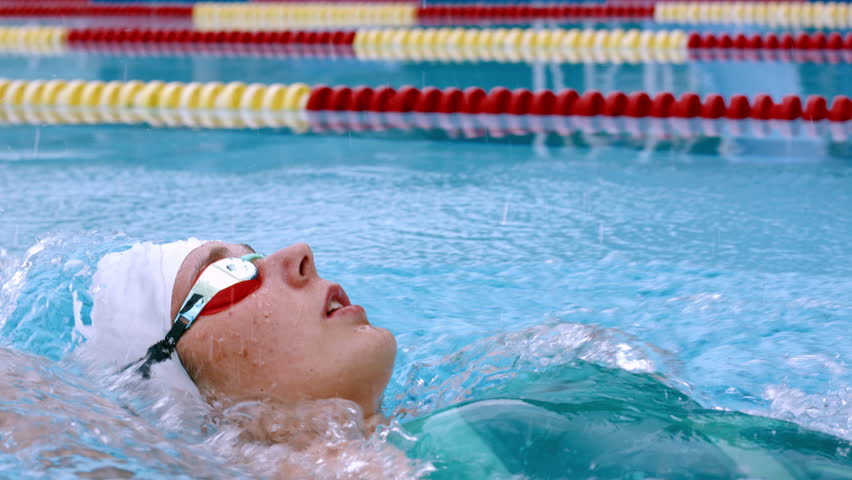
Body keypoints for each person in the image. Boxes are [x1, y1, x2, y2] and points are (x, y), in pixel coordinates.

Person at [86, 239, 852, 480]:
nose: (295, 254)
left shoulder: (471, 420)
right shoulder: (455, 447)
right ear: (184, 375)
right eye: (225, 275)